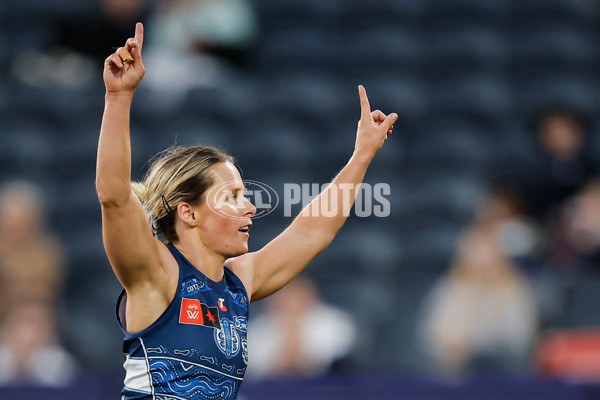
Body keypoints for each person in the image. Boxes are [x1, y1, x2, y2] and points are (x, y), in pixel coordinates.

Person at [97, 23, 396, 399]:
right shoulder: (155, 274)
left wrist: (362, 154)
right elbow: (114, 197)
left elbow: (312, 231)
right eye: (233, 196)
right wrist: (118, 97)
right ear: (189, 213)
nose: (250, 207)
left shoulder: (239, 281)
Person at [246, 276, 356, 379]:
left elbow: (326, 366)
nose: (290, 301)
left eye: (296, 294)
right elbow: (255, 373)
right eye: (284, 294)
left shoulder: (336, 322)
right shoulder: (257, 329)